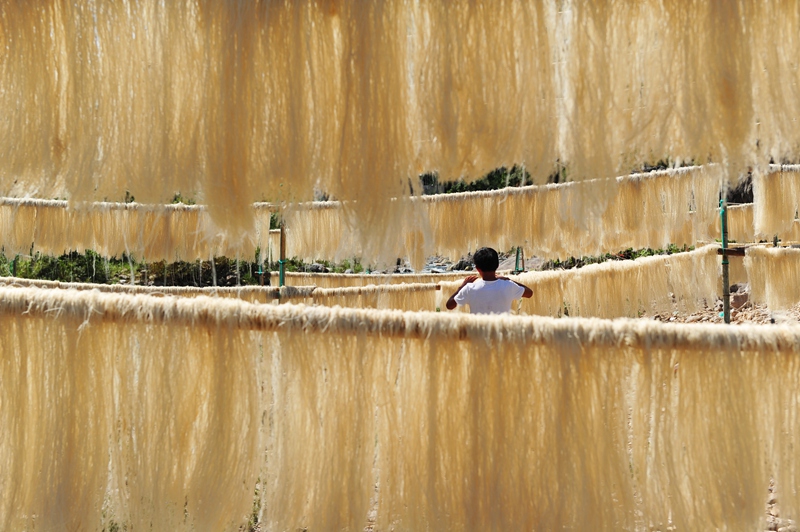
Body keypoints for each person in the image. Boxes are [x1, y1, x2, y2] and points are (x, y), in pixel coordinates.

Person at [446, 247, 533, 314]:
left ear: (477, 269)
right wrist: (508, 280)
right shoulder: (508, 285)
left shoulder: (469, 288)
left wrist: (462, 287)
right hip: (501, 335)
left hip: (478, 335)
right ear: (497, 265)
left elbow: (449, 305)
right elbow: (529, 293)